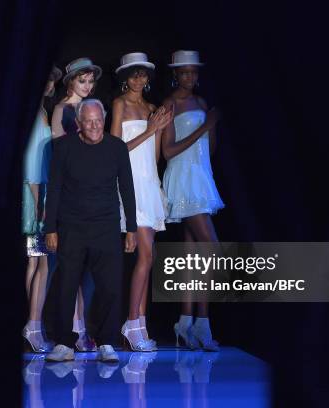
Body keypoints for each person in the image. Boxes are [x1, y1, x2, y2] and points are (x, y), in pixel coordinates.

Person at [43, 99, 137, 362]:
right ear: (78, 124)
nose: (95, 126)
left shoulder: (116, 148)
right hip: (72, 227)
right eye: (89, 121)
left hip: (106, 227)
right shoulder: (63, 148)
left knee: (110, 287)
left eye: (99, 120)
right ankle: (63, 343)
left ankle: (107, 342)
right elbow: (56, 190)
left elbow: (127, 188)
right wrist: (51, 228)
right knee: (66, 285)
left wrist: (131, 228)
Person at [110, 52, 173, 351]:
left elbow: (157, 155)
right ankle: (130, 321)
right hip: (128, 184)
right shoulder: (119, 104)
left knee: (149, 259)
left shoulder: (152, 108)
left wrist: (159, 128)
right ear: (125, 77)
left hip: (149, 183)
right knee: (145, 258)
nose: (139, 79)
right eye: (134, 74)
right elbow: (113, 151)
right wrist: (150, 129)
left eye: (143, 74)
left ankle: (139, 325)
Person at [161, 50, 224, 351]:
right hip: (183, 179)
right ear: (175, 74)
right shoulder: (170, 104)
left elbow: (208, 150)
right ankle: (202, 324)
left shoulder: (200, 103)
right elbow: (169, 152)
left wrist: (211, 128)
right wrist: (203, 126)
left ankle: (186, 322)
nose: (189, 77)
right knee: (212, 249)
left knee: (194, 257)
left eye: (193, 72)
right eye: (184, 72)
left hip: (201, 178)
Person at [50, 57, 103, 351]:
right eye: (82, 81)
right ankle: (73, 331)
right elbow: (60, 151)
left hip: (92, 195)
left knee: (88, 269)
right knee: (69, 267)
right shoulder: (62, 109)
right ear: (70, 82)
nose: (87, 86)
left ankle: (81, 328)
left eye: (90, 81)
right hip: (71, 194)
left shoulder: (91, 110)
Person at [21, 66, 62, 352]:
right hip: (36, 198)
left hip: (38, 195)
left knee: (36, 261)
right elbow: (31, 163)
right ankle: (33, 325)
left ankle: (33, 323)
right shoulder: (34, 117)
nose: (50, 83)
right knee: (41, 261)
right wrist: (38, 203)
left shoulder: (42, 113)